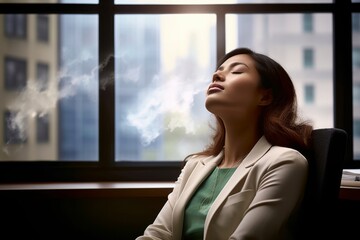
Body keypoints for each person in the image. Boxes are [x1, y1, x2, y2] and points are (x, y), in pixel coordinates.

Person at [136, 47, 313, 240]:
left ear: (265, 97)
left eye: (236, 71)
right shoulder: (194, 165)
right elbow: (158, 234)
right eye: (218, 70)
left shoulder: (285, 162)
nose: (217, 75)